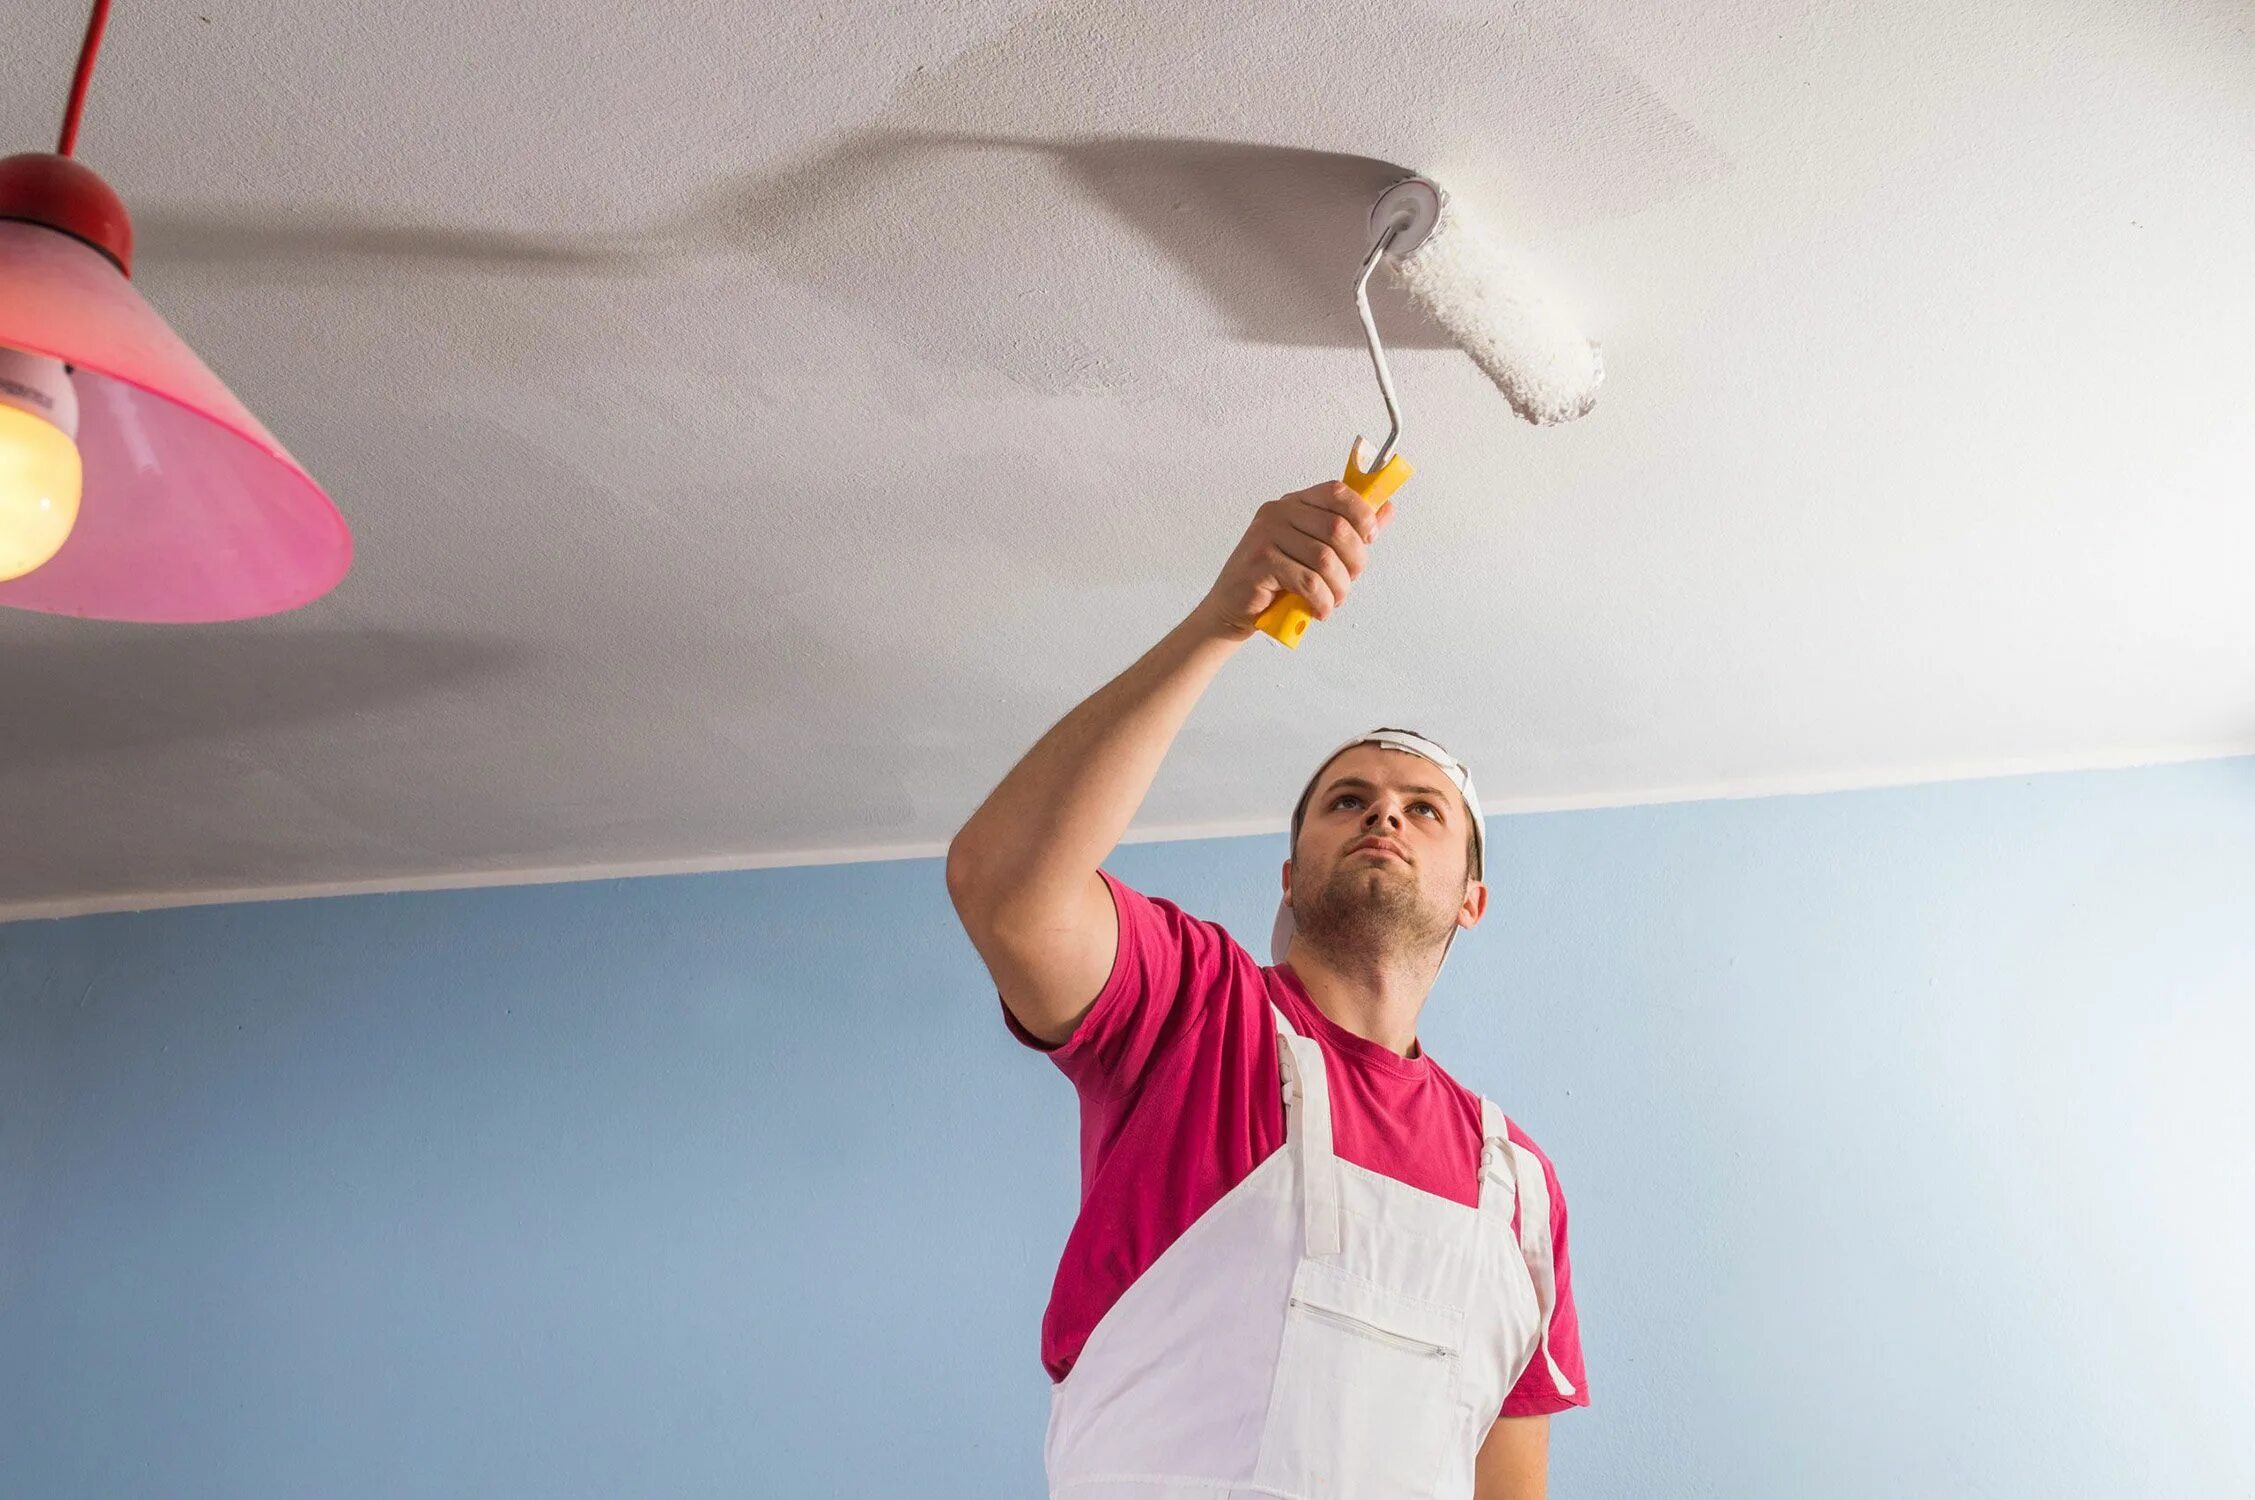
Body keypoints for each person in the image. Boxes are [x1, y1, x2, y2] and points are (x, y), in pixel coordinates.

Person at [946, 480, 1589, 1499]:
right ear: (1289, 877)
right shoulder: (1194, 1012)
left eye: (1424, 810)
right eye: (1348, 801)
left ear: (1471, 899)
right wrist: (1220, 622)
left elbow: (1506, 1478)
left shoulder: (1518, 1189)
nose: (1383, 816)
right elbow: (1006, 891)